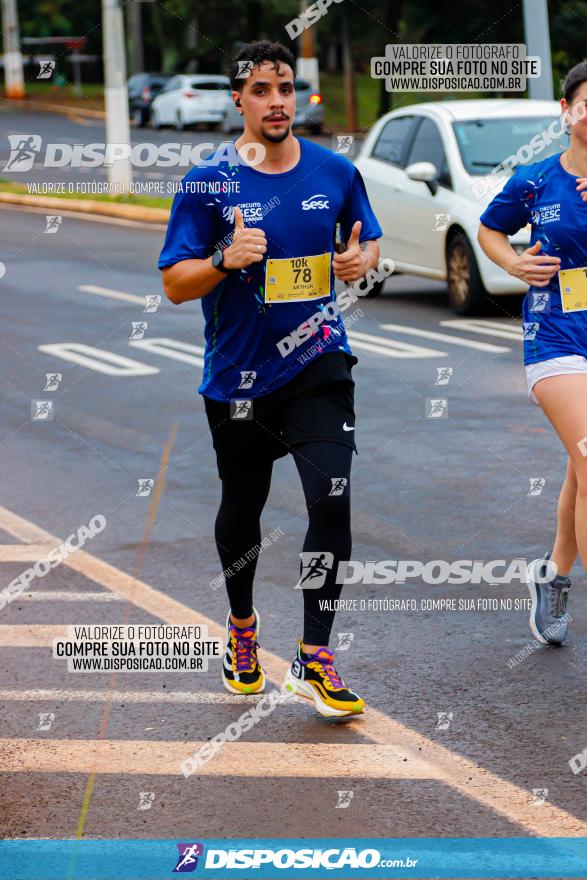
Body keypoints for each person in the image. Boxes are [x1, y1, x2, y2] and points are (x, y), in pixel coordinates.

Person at [158, 40, 382, 716]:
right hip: (238, 379)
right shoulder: (207, 183)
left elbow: (366, 239)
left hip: (319, 363)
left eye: (284, 87)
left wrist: (358, 259)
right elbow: (173, 283)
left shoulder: (335, 171)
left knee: (331, 503)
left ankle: (315, 655)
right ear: (238, 99)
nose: (276, 100)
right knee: (243, 510)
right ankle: (242, 629)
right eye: (260, 89)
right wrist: (224, 259)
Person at [478, 60, 587, 647]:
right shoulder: (536, 179)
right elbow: (489, 229)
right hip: (556, 336)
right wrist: (514, 262)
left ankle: (554, 575)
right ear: (566, 111)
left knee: (582, 464)